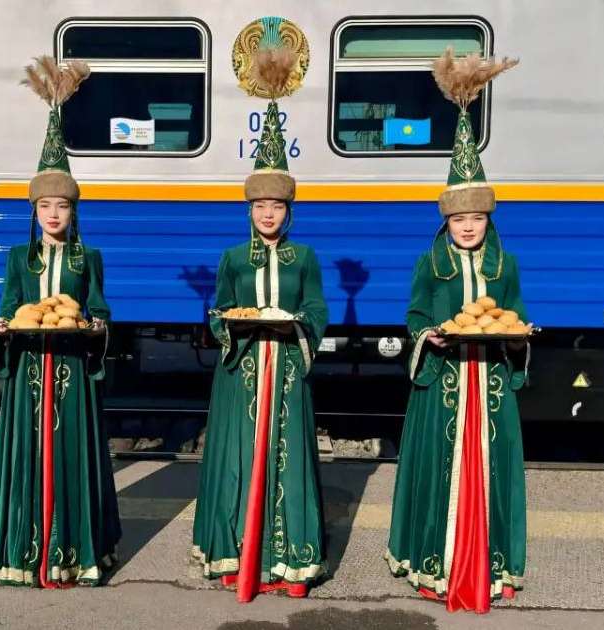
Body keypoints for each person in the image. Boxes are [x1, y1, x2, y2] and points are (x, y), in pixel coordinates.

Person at [384, 48, 525, 614]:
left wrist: (514, 341)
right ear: (446, 220)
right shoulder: (429, 263)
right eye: (459, 219)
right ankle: (433, 564)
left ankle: (492, 568)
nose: (468, 227)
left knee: (493, 474)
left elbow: (514, 315)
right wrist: (429, 337)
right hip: (443, 383)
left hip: (489, 387)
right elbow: (415, 316)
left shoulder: (506, 265)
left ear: (489, 220)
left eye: (477, 219)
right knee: (437, 473)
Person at [192, 22, 329, 602]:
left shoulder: (305, 256)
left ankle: (291, 561)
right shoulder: (230, 256)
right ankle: (233, 555)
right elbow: (218, 309)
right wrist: (229, 324)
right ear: (248, 208)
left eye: (276, 205)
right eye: (259, 205)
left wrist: (300, 326)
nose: (267, 213)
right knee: (236, 460)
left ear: (287, 208)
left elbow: (318, 307)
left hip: (288, 371)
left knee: (289, 461)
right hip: (242, 369)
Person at [0, 56, 120, 587]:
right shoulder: (20, 258)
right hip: (27, 376)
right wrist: (1, 327)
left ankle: (74, 552)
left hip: (71, 380)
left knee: (71, 459)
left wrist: (93, 328)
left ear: (73, 211)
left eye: (62, 206)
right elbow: (7, 306)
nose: (54, 214)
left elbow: (103, 312)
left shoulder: (90, 259)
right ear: (35, 210)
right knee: (28, 462)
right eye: (45, 205)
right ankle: (26, 552)